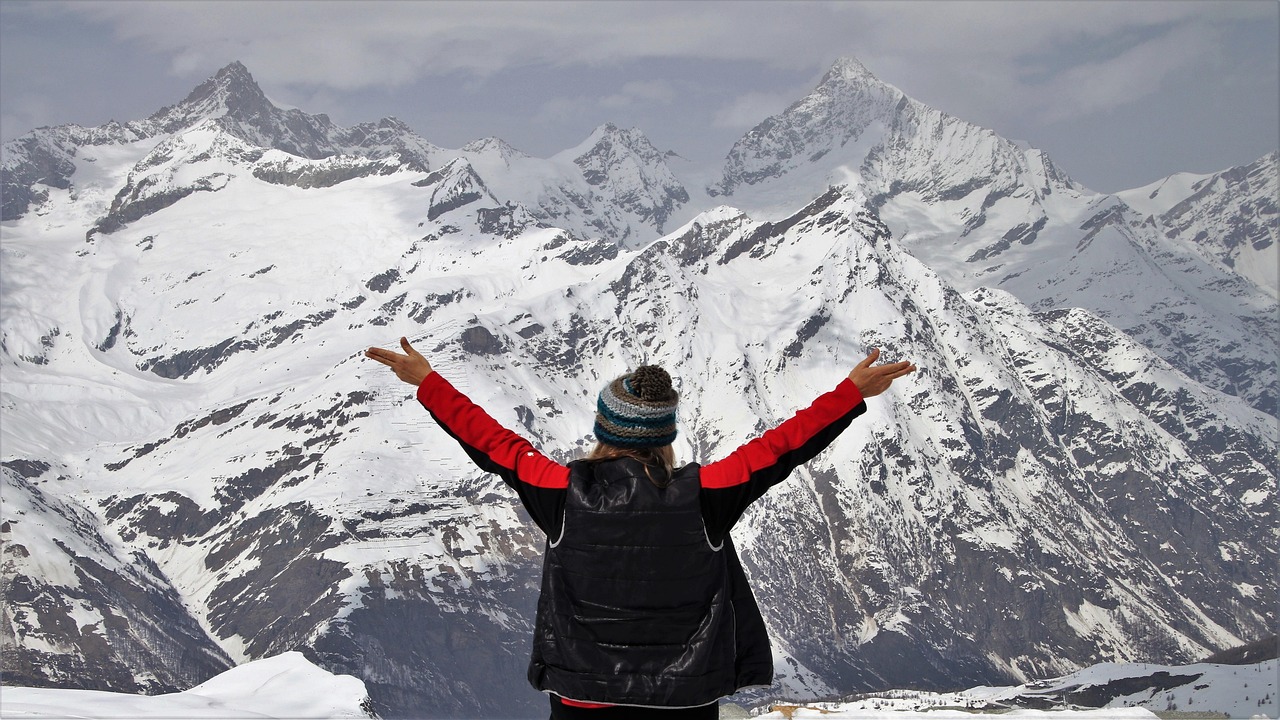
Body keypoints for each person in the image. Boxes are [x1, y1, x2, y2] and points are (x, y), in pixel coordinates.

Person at [365, 337, 916, 719]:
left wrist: (429, 382)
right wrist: (850, 394)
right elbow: (782, 447)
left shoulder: (561, 493)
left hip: (584, 697)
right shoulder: (707, 494)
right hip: (685, 699)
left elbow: (493, 443)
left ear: (604, 427)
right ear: (664, 436)